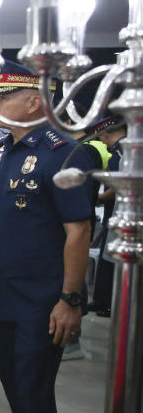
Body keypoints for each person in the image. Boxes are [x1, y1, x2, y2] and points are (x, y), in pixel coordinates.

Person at [0, 61, 93, 413]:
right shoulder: (2, 151)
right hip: (3, 288)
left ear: (34, 100)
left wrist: (70, 299)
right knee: (10, 374)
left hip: (43, 298)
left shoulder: (66, 152)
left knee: (33, 383)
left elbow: (78, 232)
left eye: (4, 97)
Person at [89, 116, 126, 317]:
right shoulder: (122, 150)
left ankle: (107, 302)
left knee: (112, 256)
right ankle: (103, 300)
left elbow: (120, 183)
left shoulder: (121, 152)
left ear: (104, 134)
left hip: (119, 213)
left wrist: (99, 198)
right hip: (114, 213)